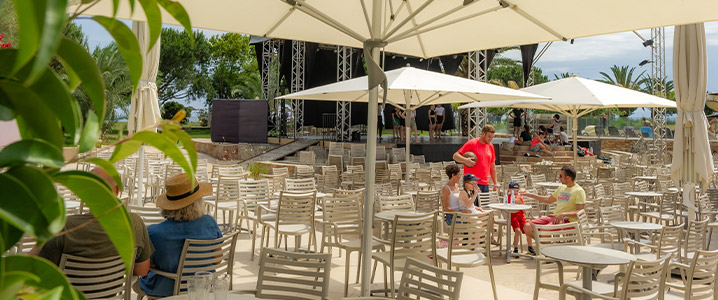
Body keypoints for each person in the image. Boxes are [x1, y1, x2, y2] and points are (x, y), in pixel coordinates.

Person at [35, 168, 153, 278]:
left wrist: (45, 237)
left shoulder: (65, 227)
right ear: (116, 191)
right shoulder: (134, 223)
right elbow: (141, 271)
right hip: (111, 295)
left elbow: (39, 271)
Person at [139, 173, 222, 298]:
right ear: (198, 201)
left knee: (140, 282)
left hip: (167, 290)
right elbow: (217, 259)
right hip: (203, 288)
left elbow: (146, 267)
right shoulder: (210, 223)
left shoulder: (153, 233)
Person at [520, 166, 586, 255]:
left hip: (567, 221)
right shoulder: (562, 188)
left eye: (561, 176)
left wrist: (563, 214)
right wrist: (530, 195)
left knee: (545, 231)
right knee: (527, 227)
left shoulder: (579, 191)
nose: (559, 178)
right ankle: (549, 250)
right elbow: (548, 199)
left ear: (568, 178)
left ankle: (548, 253)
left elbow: (580, 211)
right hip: (554, 217)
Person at [453, 125, 499, 192]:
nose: (491, 139)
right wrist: (465, 160)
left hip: (485, 183)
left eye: (492, 137)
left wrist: (495, 184)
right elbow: (455, 156)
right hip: (471, 183)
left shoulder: (491, 146)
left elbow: (493, 167)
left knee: (484, 203)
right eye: (489, 136)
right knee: (472, 202)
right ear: (483, 134)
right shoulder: (472, 143)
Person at [507, 181, 526, 254]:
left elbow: (524, 211)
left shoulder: (520, 198)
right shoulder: (508, 198)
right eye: (513, 190)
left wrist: (521, 204)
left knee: (528, 229)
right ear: (509, 190)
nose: (515, 192)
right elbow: (506, 209)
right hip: (513, 217)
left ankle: (530, 247)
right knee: (517, 230)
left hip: (521, 217)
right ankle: (516, 248)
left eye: (517, 191)